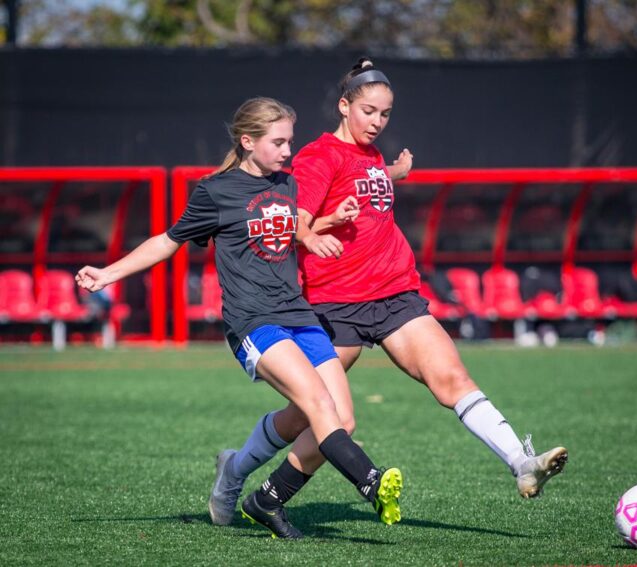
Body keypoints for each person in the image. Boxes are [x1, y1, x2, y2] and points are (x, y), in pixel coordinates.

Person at [209, 59, 568, 527]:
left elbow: (361, 191)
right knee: (313, 414)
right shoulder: (318, 156)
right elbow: (293, 219)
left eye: (385, 114)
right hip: (335, 302)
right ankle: (237, 473)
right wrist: (319, 229)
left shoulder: (372, 155)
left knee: (452, 380)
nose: (377, 122)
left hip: (395, 293)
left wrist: (392, 174)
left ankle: (521, 464)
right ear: (344, 106)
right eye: (368, 111)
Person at [75, 97, 403, 539]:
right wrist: (107, 274)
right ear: (248, 142)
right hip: (254, 321)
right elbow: (168, 241)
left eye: (291, 140)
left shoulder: (287, 184)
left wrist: (326, 223)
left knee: (341, 419)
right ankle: (371, 480)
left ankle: (249, 486)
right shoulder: (215, 191)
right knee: (319, 406)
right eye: (279, 142)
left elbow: (297, 228)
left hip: (299, 314)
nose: (289, 151)